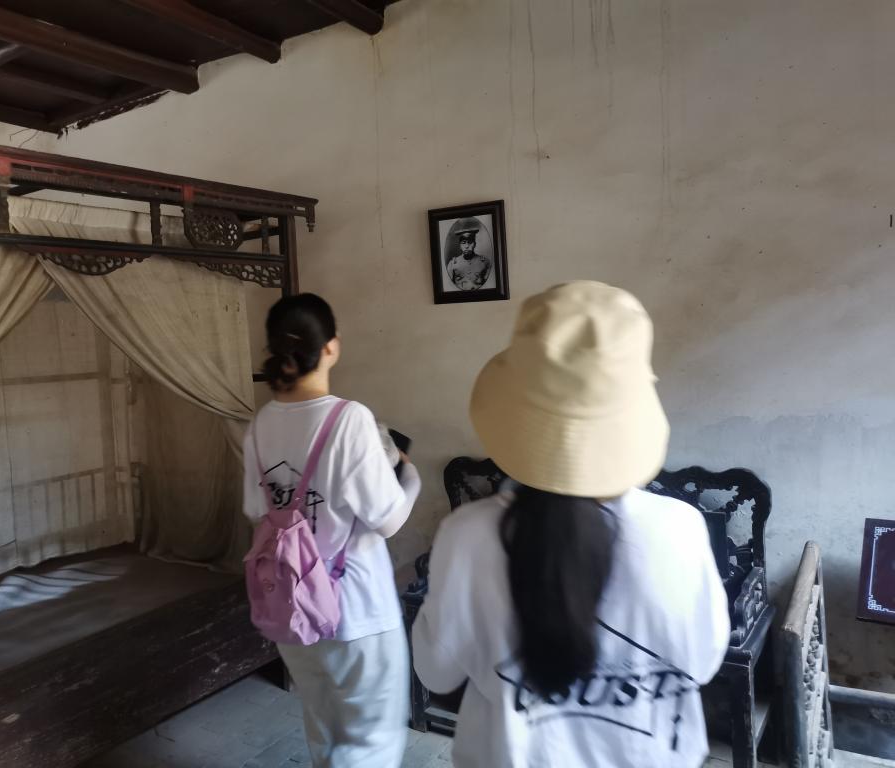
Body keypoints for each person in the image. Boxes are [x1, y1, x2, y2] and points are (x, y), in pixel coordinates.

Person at [412, 281, 731, 768]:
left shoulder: (468, 536)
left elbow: (436, 673)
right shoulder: (681, 529)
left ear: (517, 410)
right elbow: (703, 663)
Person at [243, 293, 421, 768]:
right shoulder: (349, 419)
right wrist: (410, 476)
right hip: (357, 613)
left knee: (324, 733)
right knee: (370, 745)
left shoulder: (259, 426)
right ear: (331, 346)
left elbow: (256, 510)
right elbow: (389, 520)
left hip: (292, 607)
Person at [446, 218, 493, 290]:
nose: (467, 246)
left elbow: (489, 285)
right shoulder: (452, 264)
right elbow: (448, 287)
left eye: (470, 242)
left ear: (475, 244)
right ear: (460, 246)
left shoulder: (485, 262)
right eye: (463, 243)